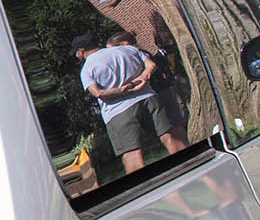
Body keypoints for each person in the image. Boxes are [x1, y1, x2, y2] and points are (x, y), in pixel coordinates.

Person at [74, 26, 188, 172]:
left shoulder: (87, 69)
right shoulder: (127, 50)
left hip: (117, 111)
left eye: (77, 53)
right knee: (170, 137)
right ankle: (189, 170)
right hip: (149, 98)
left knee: (132, 154)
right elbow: (151, 65)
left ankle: (148, 190)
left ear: (81, 51)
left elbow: (98, 93)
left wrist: (121, 90)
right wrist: (142, 78)